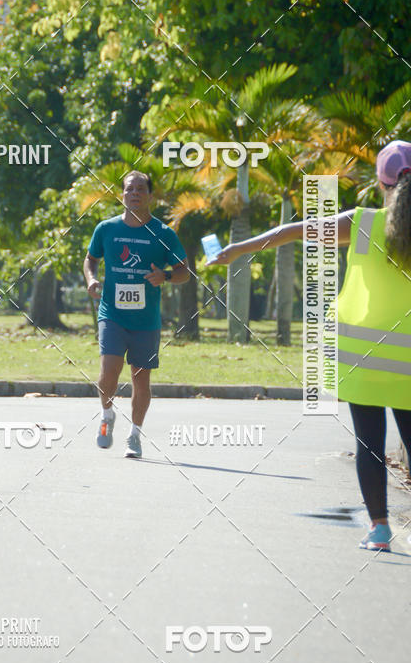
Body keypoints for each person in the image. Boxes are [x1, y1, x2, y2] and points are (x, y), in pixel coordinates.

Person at [209, 141, 411, 551]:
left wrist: (238, 249)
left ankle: (379, 530)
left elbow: (291, 232)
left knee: (368, 443)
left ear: (380, 182)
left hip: (365, 358)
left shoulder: (361, 222)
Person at [83, 171, 190, 458]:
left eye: (141, 189)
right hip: (112, 314)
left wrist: (165, 276)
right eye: (130, 189)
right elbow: (91, 259)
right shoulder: (106, 229)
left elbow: (184, 272)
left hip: (146, 321)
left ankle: (135, 436)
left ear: (150, 195)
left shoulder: (164, 233)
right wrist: (91, 279)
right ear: (122, 194)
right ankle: (107, 416)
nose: (135, 194)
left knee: (141, 380)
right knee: (108, 373)